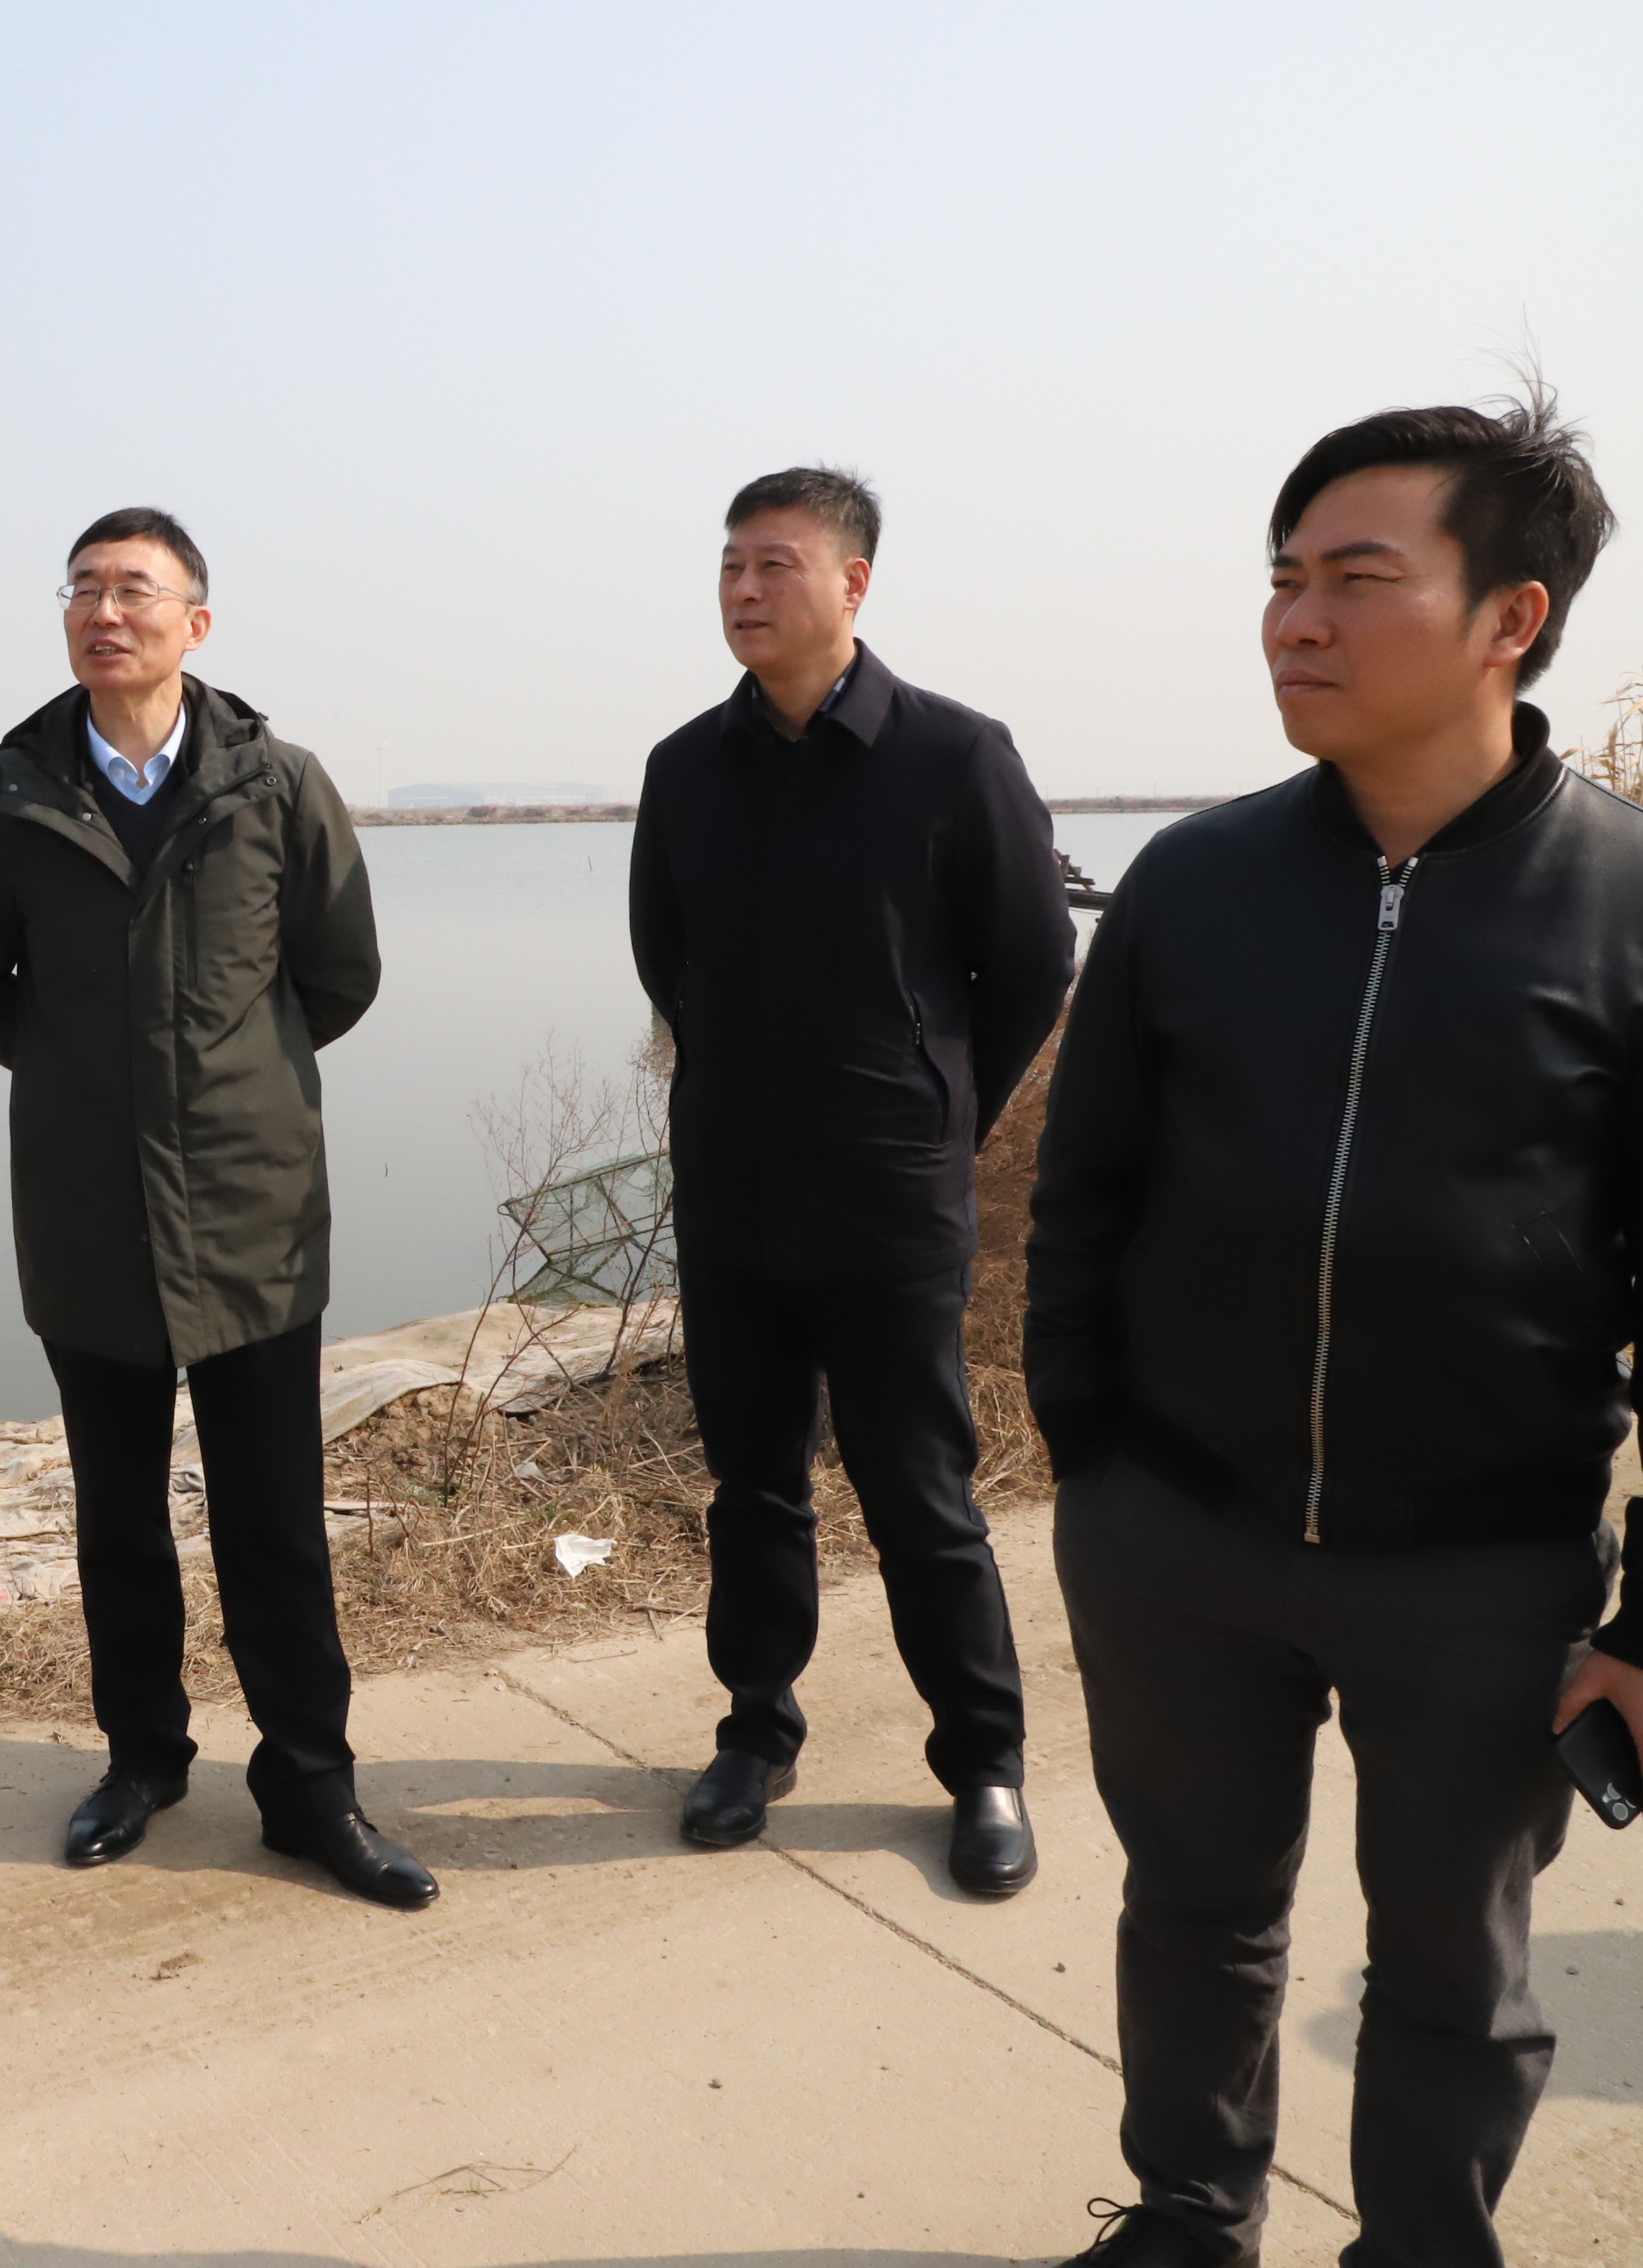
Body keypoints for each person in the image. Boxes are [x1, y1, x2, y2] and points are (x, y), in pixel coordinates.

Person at [1024, 390, 1643, 2268]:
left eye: (1355, 579)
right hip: (1179, 1538)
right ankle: (1187, 2215)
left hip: (1480, 1567)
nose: (1294, 621)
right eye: (1282, 577)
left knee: (1453, 1960)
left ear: (1510, 616)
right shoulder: (1194, 883)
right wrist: (1093, 1460)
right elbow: (1083, 1194)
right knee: (1192, 1908)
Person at [0, 506, 434, 1910]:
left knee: (276, 1524)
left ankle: (311, 1787)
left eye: (135, 590)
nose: (106, 612)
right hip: (88, 1212)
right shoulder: (9, 802)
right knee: (120, 1520)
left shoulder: (277, 786)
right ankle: (141, 1762)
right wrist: (90, 1077)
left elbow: (339, 977)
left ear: (196, 623)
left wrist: (228, 1080)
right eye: (83, 589)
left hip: (252, 1211)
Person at [627, 467, 1073, 1891]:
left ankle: (985, 1763)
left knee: (920, 1492)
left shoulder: (952, 755)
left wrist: (937, 1113)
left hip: (890, 1203)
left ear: (854, 583)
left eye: (776, 563)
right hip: (735, 1198)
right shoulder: (687, 769)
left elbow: (1032, 964)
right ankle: (755, 1731)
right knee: (754, 1487)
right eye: (731, 566)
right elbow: (666, 961)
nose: (745, 589)